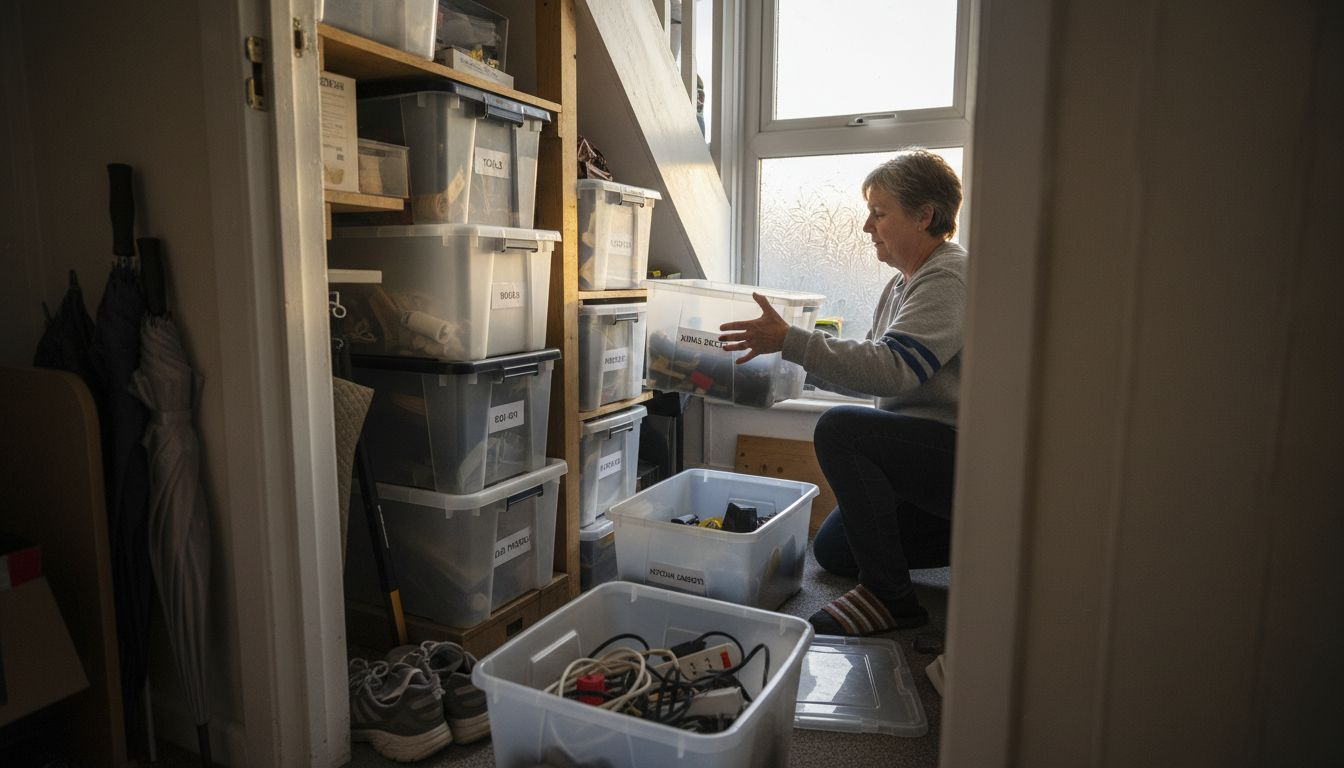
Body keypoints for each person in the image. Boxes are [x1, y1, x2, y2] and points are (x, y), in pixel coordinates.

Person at [719, 150, 965, 636]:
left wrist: (793, 341)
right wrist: (792, 363)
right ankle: (981, 540)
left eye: (879, 212)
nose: (867, 226)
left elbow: (894, 369)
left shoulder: (949, 276)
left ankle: (891, 598)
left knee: (840, 430)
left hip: (961, 453)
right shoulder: (904, 283)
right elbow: (876, 369)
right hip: (926, 452)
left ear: (925, 216)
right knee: (834, 550)